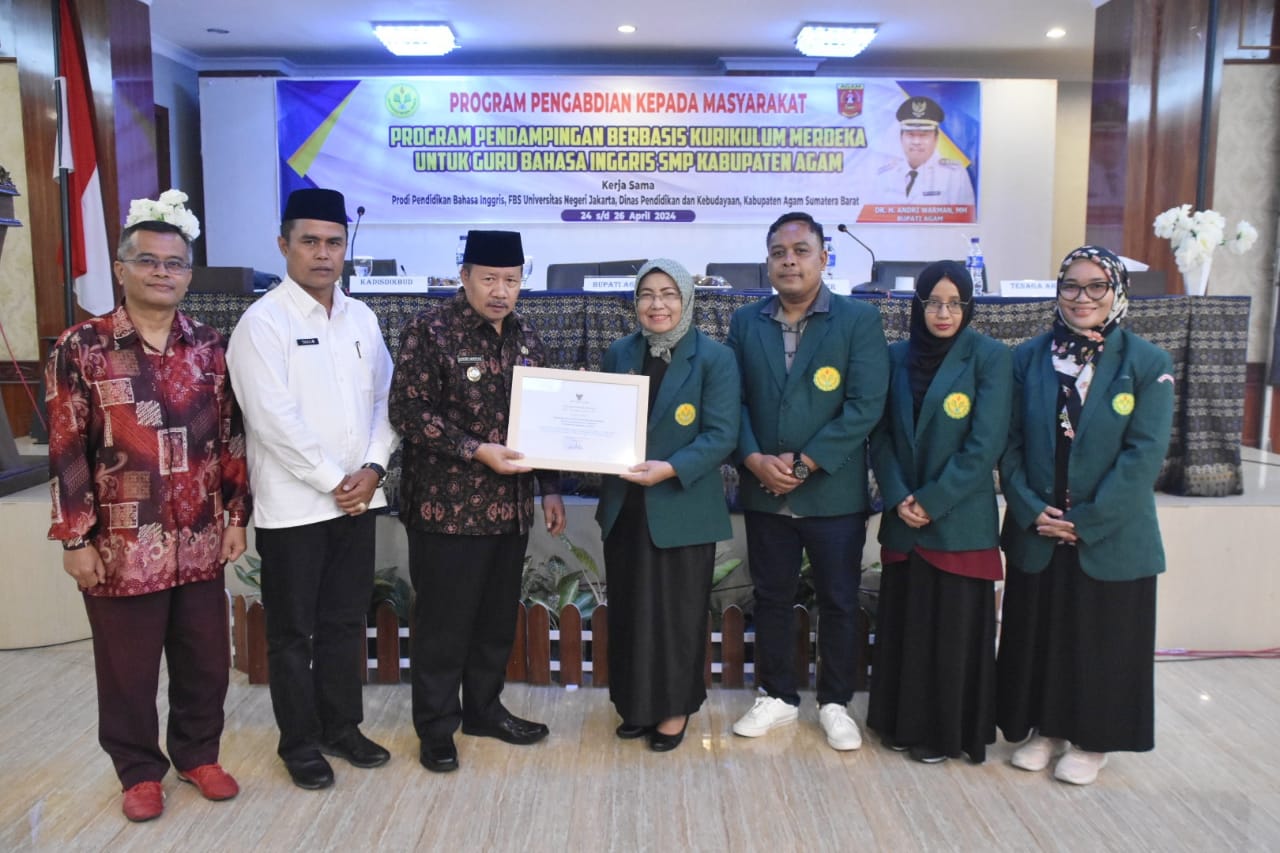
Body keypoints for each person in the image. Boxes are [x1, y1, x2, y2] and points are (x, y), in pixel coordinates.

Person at [46, 190, 250, 821]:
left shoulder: (211, 344)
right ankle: (138, 770)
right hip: (120, 543)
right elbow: (65, 447)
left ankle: (197, 755)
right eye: (149, 260)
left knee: (207, 660)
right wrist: (76, 540)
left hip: (199, 536)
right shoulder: (83, 347)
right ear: (121, 269)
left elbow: (232, 436)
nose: (162, 272)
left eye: (175, 263)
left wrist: (235, 518)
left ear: (189, 273)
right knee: (127, 669)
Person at [226, 188, 398, 790]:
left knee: (345, 623)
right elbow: (273, 421)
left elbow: (386, 403)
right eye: (309, 242)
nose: (323, 254)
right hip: (296, 508)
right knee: (293, 632)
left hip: (359, 501)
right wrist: (335, 482)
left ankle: (341, 727)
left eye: (333, 242)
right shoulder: (261, 324)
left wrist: (373, 470)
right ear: (284, 245)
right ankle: (298, 741)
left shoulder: (363, 318)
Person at [389, 229, 566, 774]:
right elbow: (408, 412)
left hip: (509, 510)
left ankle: (484, 710)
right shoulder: (430, 330)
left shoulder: (529, 338)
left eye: (511, 280)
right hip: (446, 510)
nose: (500, 290)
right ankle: (437, 728)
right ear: (464, 275)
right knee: (444, 625)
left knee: (493, 624)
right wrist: (475, 449)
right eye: (488, 278)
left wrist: (551, 485)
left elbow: (544, 420)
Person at [997, 245, 1175, 786]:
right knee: (1043, 633)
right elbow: (1008, 446)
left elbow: (1143, 455)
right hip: (1039, 529)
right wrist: (1031, 509)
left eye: (1096, 286)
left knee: (1101, 638)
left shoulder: (1146, 363)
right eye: (1071, 285)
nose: (1082, 298)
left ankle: (1092, 739)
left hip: (1111, 535)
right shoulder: (1027, 358)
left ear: (1116, 292)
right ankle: (1046, 729)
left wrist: (1086, 520)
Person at [727, 211, 889, 750]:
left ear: (824, 257)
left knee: (840, 599)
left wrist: (805, 463)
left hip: (832, 491)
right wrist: (752, 458)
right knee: (771, 595)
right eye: (778, 252)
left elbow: (865, 406)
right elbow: (735, 402)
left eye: (800, 250)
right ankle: (775, 695)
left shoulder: (857, 321)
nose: (789, 260)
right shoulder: (746, 321)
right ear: (768, 261)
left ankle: (837, 701)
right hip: (763, 487)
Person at [866, 260, 1011, 764]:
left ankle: (945, 732)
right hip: (904, 519)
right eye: (933, 302)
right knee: (907, 625)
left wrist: (932, 499)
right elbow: (880, 434)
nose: (943, 313)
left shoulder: (990, 357)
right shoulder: (895, 356)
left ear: (969, 306)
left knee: (951, 631)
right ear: (918, 304)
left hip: (958, 521)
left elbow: (985, 443)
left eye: (954, 303)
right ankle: (900, 722)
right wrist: (900, 493)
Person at [596, 259, 740, 752]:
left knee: (677, 615)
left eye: (668, 293)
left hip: (681, 505)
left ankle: (674, 709)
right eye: (646, 294)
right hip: (625, 507)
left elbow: (722, 434)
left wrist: (670, 468)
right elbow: (602, 423)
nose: (657, 305)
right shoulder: (619, 352)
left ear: (686, 299)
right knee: (631, 610)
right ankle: (635, 705)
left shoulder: (715, 358)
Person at [871, 96, 975, 207]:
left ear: (936, 138)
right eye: (910, 134)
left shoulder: (954, 175)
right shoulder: (885, 174)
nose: (916, 141)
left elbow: (965, 219)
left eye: (924, 135)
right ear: (901, 137)